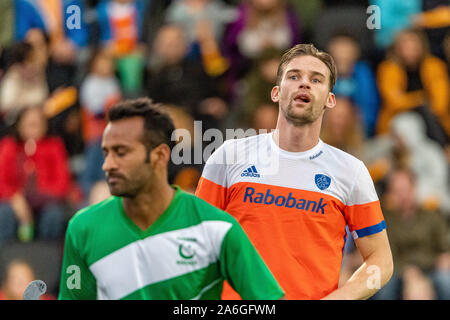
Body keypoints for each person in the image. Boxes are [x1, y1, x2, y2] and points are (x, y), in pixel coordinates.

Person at [196, 44, 393, 300]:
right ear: (276, 93)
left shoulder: (350, 171)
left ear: (330, 100)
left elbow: (381, 260)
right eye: (293, 76)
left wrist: (340, 298)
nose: (304, 84)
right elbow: (194, 240)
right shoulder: (228, 156)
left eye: (316, 79)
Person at [58, 98, 284, 300]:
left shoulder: (217, 227)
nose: (108, 165)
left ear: (160, 155)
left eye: (121, 152)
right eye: (106, 153)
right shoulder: (82, 228)